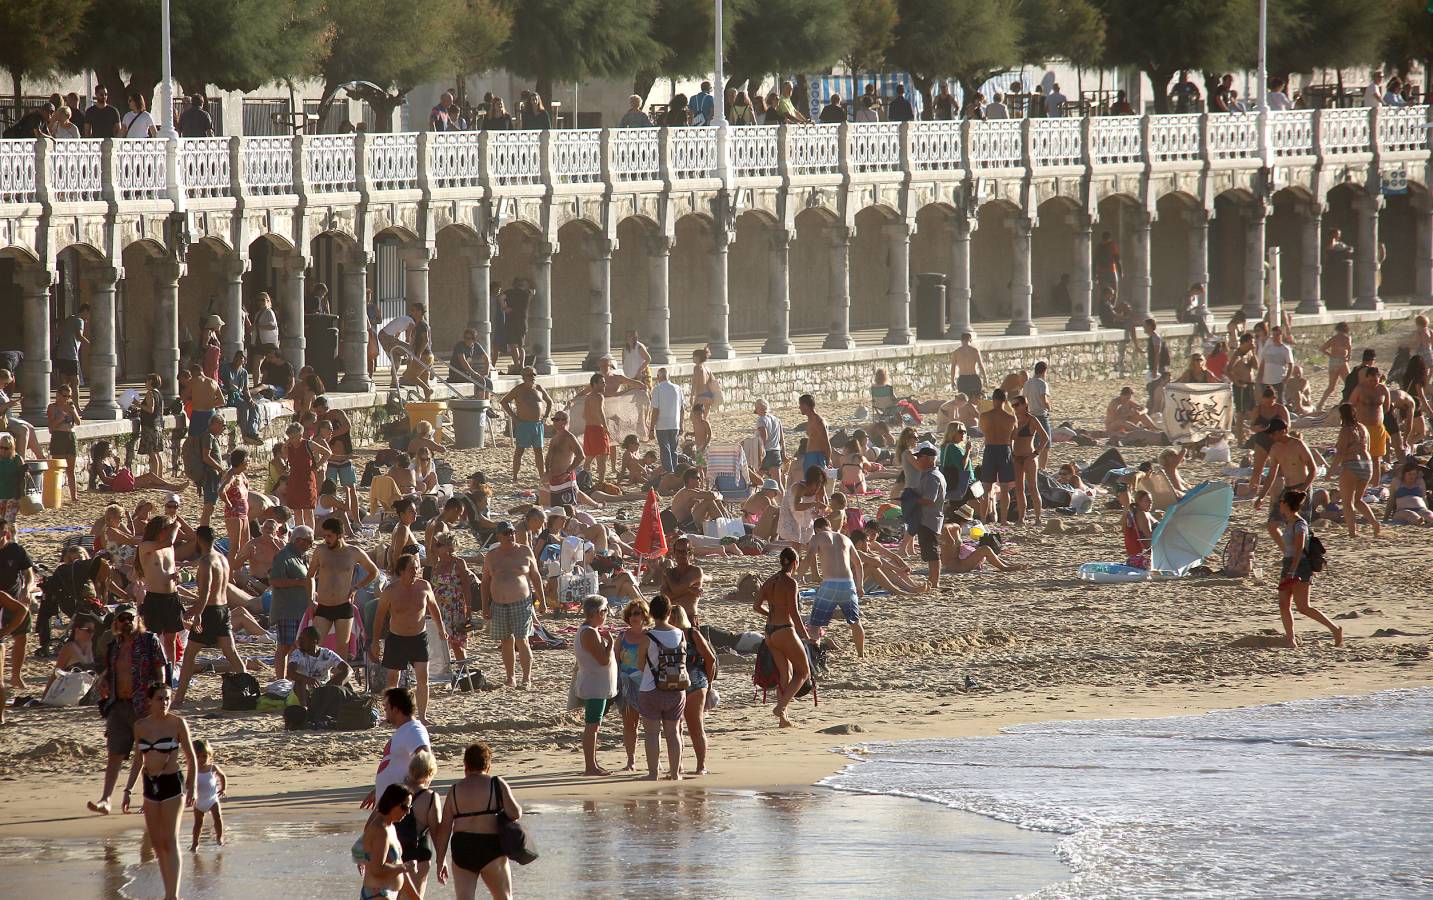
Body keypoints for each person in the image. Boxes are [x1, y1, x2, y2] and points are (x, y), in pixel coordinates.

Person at [432, 742, 522, 900]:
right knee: (504, 897)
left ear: (465, 765)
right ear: (488, 766)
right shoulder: (496, 783)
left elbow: (444, 829)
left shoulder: (455, 790)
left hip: (463, 848)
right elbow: (515, 813)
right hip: (491, 846)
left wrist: (440, 861)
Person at [172, 527, 245, 706]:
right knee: (232, 654)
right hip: (223, 609)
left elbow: (205, 593)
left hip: (210, 611)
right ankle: (248, 687)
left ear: (199, 540)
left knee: (189, 655)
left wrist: (197, 614)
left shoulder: (206, 561)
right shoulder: (222, 559)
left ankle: (179, 698)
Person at [373, 553, 448, 722]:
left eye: (417, 568)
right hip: (396, 639)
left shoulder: (424, 586)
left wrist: (441, 629)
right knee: (393, 679)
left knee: (423, 677)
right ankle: (391, 715)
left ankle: (422, 716)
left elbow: (434, 608)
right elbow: (379, 617)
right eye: (411, 569)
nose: (415, 572)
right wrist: (375, 641)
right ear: (401, 571)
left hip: (418, 638)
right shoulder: (390, 591)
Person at [1275, 490, 1342, 648]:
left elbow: (1299, 549)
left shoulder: (1300, 524)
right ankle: (1290, 639)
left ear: (1286, 504)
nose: (1279, 504)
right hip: (1288, 564)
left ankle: (1334, 629)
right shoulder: (1288, 522)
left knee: (1303, 607)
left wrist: (1292, 570)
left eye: (1281, 502)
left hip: (1300, 566)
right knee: (1284, 604)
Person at [481, 521, 544, 688]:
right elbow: (485, 582)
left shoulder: (524, 551)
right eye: (506, 533)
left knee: (522, 639)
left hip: (521, 603)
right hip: (499, 604)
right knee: (506, 641)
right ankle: (510, 678)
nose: (510, 535)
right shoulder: (492, 555)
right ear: (498, 536)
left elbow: (535, 577)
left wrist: (542, 601)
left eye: (512, 532)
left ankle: (526, 678)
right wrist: (485, 606)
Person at [310, 516, 380, 662]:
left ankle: (339, 680)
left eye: (329, 536)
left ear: (339, 535)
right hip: (323, 605)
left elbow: (374, 572)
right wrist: (311, 597)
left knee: (342, 647)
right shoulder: (320, 550)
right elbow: (310, 576)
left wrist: (356, 588)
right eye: (324, 536)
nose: (326, 539)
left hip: (343, 605)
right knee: (316, 645)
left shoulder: (353, 552)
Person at [754, 548, 811, 728]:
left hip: (770, 632)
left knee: (785, 675)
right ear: (795, 563)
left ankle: (783, 719)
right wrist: (806, 635)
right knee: (803, 672)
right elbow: (793, 612)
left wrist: (770, 614)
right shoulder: (790, 582)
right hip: (785, 630)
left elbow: (756, 606)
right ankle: (781, 706)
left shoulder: (770, 581)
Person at [635, 594, 688, 779]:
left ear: (651, 613)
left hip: (651, 689)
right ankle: (675, 774)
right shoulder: (680, 633)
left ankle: (653, 774)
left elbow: (640, 665)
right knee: (673, 733)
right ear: (669, 612)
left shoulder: (647, 637)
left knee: (651, 734)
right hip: (677, 689)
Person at [806, 517, 865, 657]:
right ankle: (861, 655)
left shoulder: (818, 537)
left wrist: (800, 576)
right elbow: (858, 564)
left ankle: (815, 655)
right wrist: (860, 585)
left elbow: (809, 556)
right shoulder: (845, 538)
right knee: (855, 622)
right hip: (848, 583)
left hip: (830, 583)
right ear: (830, 525)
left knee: (814, 625)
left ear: (817, 529)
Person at [670, 604, 717, 774]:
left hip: (696, 682)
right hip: (674, 682)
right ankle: (678, 765)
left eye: (670, 617)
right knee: (676, 727)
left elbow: (710, 658)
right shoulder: (667, 635)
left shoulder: (692, 633)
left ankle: (701, 766)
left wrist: (708, 682)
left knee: (695, 725)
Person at [574, 594, 618, 776]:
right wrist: (611, 643)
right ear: (598, 612)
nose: (606, 614)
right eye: (605, 611)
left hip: (595, 683)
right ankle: (590, 766)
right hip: (594, 685)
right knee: (592, 725)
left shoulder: (588, 630)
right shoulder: (589, 632)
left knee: (594, 725)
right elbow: (602, 660)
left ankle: (592, 764)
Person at [268, 525, 316, 681]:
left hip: (300, 610)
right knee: (285, 646)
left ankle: (291, 678)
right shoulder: (284, 556)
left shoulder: (300, 557)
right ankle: (281, 679)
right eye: (309, 541)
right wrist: (299, 582)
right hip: (287, 609)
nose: (311, 545)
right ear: (299, 540)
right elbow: (275, 581)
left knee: (297, 646)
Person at [359, 784, 421, 900]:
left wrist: (415, 897)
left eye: (409, 807)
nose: (407, 812)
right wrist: (405, 867)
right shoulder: (380, 830)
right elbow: (377, 869)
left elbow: (397, 862)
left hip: (386, 893)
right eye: (404, 807)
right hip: (377, 894)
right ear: (392, 803)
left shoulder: (390, 827)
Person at [396, 749, 443, 896]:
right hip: (419, 854)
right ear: (430, 773)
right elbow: (437, 833)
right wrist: (441, 861)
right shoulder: (431, 797)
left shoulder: (396, 792)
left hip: (396, 855)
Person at [1329, 403, 1379, 538]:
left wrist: (1330, 472)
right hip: (1366, 464)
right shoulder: (1363, 428)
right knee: (1358, 500)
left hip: (1352, 463)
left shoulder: (1346, 430)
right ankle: (1374, 523)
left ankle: (1352, 532)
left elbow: (1340, 453)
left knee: (1347, 502)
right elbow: (1367, 447)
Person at [501, 367, 552, 483]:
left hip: (537, 424)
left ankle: (541, 475)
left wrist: (546, 416)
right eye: (529, 375)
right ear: (523, 377)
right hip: (523, 424)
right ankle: (514, 476)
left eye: (534, 374)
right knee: (519, 451)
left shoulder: (538, 388)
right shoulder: (518, 389)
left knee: (539, 451)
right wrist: (514, 417)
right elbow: (504, 402)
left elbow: (549, 402)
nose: (532, 377)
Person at [978, 389, 1018, 523]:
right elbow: (1014, 436)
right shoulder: (1011, 418)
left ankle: (983, 519)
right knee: (1005, 488)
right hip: (1004, 449)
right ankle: (1004, 519)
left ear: (993, 400)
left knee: (986, 489)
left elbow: (983, 431)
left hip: (990, 449)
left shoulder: (984, 416)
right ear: (1005, 401)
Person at [287, 625, 352, 707]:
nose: (300, 641)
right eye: (300, 638)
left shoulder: (327, 654)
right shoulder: (298, 653)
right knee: (299, 682)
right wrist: (308, 680)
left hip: (323, 690)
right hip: (302, 693)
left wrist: (335, 683)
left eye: (303, 639)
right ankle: (305, 707)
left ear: (314, 641)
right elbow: (290, 672)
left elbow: (348, 670)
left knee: (344, 681)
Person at [1010, 395, 1050, 526]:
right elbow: (1008, 439)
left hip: (1029, 457)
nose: (1014, 408)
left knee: (1033, 488)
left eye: (1016, 405)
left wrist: (1035, 453)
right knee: (1019, 489)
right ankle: (1022, 518)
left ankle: (1038, 518)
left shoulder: (1032, 420)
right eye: (1013, 405)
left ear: (1024, 405)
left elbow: (1045, 438)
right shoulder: (1013, 420)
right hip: (1016, 457)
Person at [1349, 366, 1391, 485]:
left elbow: (1386, 408)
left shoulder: (1383, 389)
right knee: (1361, 457)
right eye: (1371, 380)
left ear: (1379, 378)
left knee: (1376, 458)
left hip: (1378, 428)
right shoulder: (1360, 388)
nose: (1373, 383)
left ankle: (1375, 485)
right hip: (1362, 427)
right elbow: (1350, 405)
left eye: (1375, 380)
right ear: (1367, 378)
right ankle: (1361, 484)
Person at [189, 739, 226, 851]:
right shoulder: (193, 770)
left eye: (205, 756)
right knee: (198, 824)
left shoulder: (212, 768)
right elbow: (189, 783)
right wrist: (190, 794)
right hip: (199, 801)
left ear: (209, 756)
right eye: (198, 756)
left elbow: (222, 776)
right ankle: (195, 843)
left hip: (212, 799)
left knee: (218, 818)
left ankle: (219, 838)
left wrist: (223, 788)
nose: (202, 759)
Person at [650, 367, 684, 472]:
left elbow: (656, 410)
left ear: (658, 377)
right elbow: (682, 409)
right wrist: (681, 424)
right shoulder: (677, 388)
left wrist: (651, 427)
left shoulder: (657, 389)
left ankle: (669, 473)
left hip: (662, 424)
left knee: (665, 450)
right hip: (675, 423)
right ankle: (675, 472)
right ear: (668, 376)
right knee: (673, 450)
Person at [1258, 326, 1296, 402]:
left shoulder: (1285, 349)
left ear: (1281, 335)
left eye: (1277, 335)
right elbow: (1262, 363)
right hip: (1266, 380)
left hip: (1279, 380)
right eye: (1273, 335)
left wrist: (1286, 379)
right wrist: (1260, 377)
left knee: (1279, 401)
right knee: (1266, 401)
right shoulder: (1268, 348)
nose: (1275, 337)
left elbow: (1291, 365)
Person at [1123, 489, 1156, 568]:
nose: (1150, 503)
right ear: (1139, 502)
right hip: (1146, 550)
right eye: (1148, 501)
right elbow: (1149, 536)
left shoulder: (1137, 512)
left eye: (1151, 501)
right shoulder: (1142, 515)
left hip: (1133, 554)